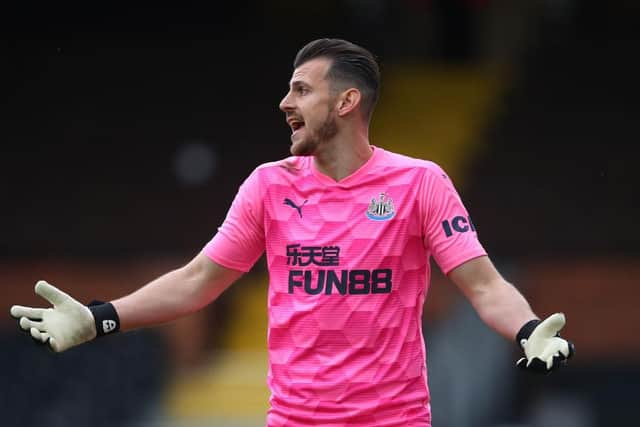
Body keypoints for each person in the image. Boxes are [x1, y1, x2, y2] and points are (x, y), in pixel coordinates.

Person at [10, 38, 574, 426]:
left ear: (347, 102)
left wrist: (528, 329)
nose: (286, 103)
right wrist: (100, 316)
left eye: (303, 89)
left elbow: (483, 285)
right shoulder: (268, 186)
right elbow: (197, 281)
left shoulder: (420, 183)